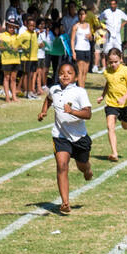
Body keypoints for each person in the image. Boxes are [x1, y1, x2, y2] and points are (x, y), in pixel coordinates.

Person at [38, 60, 93, 214]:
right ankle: (65, 203)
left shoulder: (80, 92)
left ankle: (87, 169)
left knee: (82, 166)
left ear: (75, 77)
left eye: (69, 73)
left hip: (79, 137)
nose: (65, 76)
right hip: (60, 136)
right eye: (62, 73)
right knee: (62, 165)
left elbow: (88, 114)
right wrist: (44, 112)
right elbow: (48, 99)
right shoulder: (54, 89)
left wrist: (72, 112)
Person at [101, 46, 127, 162]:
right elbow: (108, 84)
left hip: (126, 105)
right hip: (111, 103)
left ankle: (124, 121)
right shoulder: (107, 72)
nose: (113, 64)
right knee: (110, 126)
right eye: (111, 62)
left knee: (125, 126)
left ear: (121, 59)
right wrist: (102, 95)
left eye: (115, 62)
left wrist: (124, 98)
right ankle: (114, 153)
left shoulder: (126, 70)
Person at [0, 16, 23, 102]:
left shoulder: (17, 36)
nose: (11, 28)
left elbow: (21, 46)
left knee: (13, 78)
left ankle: (14, 97)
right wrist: (7, 47)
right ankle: (7, 97)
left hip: (16, 60)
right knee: (6, 78)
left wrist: (18, 47)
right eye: (10, 26)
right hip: (6, 60)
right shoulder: (2, 35)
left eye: (13, 27)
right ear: (7, 26)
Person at [70, 8, 93, 88]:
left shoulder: (88, 25)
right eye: (80, 14)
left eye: (83, 14)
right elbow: (72, 40)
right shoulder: (75, 26)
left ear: (85, 15)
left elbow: (91, 38)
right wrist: (73, 52)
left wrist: (90, 37)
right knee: (80, 71)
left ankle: (82, 87)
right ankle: (81, 89)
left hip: (87, 49)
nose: (81, 16)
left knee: (85, 71)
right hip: (79, 49)